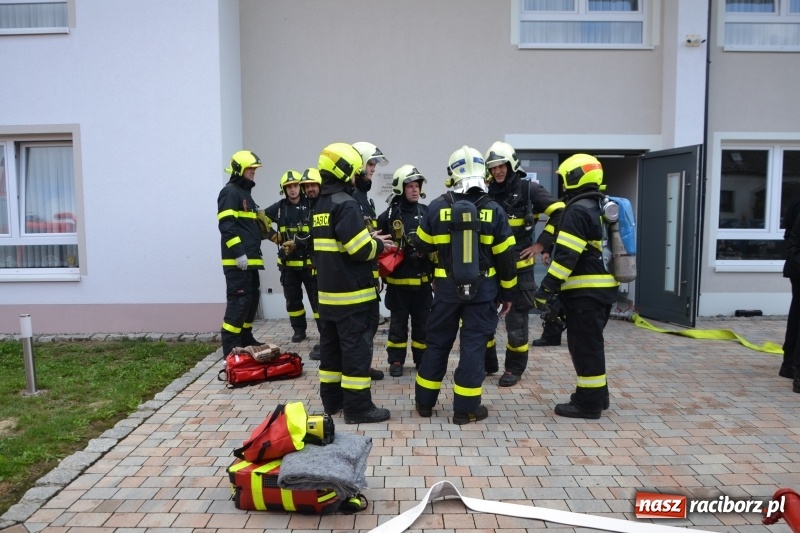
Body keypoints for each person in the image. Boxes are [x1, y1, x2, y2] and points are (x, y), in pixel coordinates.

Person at [413, 146, 517, 424]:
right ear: (482, 172)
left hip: (445, 292)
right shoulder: (494, 210)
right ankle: (466, 409)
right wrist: (508, 293)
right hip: (483, 293)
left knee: (436, 344)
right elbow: (507, 258)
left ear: (452, 174)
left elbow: (421, 245)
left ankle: (424, 403)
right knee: (473, 348)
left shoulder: (435, 206)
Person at [311, 142, 395, 424]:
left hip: (328, 296)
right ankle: (358, 408)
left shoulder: (320, 204)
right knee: (356, 353)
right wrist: (378, 247)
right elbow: (360, 249)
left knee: (331, 353)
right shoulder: (345, 204)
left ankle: (332, 402)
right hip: (352, 297)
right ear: (347, 171)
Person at [534, 153, 620, 419]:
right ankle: (599, 396)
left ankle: (587, 404)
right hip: (603, 290)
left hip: (586, 293)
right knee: (593, 344)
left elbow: (567, 256)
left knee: (584, 347)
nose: (562, 184)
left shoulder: (577, 210)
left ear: (574, 177)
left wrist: (546, 289)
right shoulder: (600, 206)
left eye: (564, 178)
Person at [482, 141, 565, 387]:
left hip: (520, 271)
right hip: (492, 271)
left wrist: (541, 245)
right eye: (494, 167)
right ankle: (488, 364)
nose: (498, 171)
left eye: (502, 166)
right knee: (483, 319)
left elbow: (560, 211)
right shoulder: (486, 194)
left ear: (511, 165)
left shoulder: (530, 190)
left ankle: (514, 368)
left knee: (516, 323)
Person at [376, 165, 433, 377]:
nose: (415, 190)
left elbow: (436, 243)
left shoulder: (427, 212)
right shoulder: (388, 216)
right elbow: (377, 246)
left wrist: (426, 255)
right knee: (398, 325)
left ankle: (422, 360)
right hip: (398, 284)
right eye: (410, 186)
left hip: (422, 284)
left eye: (417, 186)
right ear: (401, 188)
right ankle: (396, 361)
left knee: (422, 326)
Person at [217, 150, 266, 355]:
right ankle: (230, 347)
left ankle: (245, 337)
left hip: (251, 260)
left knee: (251, 300)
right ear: (239, 169)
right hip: (238, 261)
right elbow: (227, 225)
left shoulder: (245, 193)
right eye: (250, 168)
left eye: (255, 168)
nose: (254, 172)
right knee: (239, 303)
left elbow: (249, 228)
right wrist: (238, 253)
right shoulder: (230, 192)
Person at [263, 170, 317, 343]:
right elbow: (258, 219)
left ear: (300, 187)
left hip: (310, 265)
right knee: (293, 302)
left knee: (317, 302)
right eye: (289, 187)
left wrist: (299, 242)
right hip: (288, 266)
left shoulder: (312, 205)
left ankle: (325, 333)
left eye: (295, 186)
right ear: (284, 189)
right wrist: (273, 236)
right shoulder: (279, 208)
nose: (292, 190)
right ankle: (299, 330)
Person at [352, 141, 391, 381]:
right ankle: (358, 371)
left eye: (375, 164)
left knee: (371, 323)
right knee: (360, 327)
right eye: (370, 163)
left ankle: (364, 365)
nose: (373, 169)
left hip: (368, 272)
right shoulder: (351, 198)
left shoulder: (364, 198)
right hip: (355, 276)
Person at [300, 167, 323, 360]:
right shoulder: (311, 206)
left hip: (326, 267)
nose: (310, 189)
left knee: (325, 308)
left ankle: (329, 345)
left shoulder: (322, 205)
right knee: (319, 306)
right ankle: (326, 341)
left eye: (313, 185)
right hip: (316, 265)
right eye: (307, 186)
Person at [780, 190, 800, 393]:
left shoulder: (795, 197)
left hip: (795, 267)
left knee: (796, 314)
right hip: (798, 266)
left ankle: (789, 364)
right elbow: (793, 239)